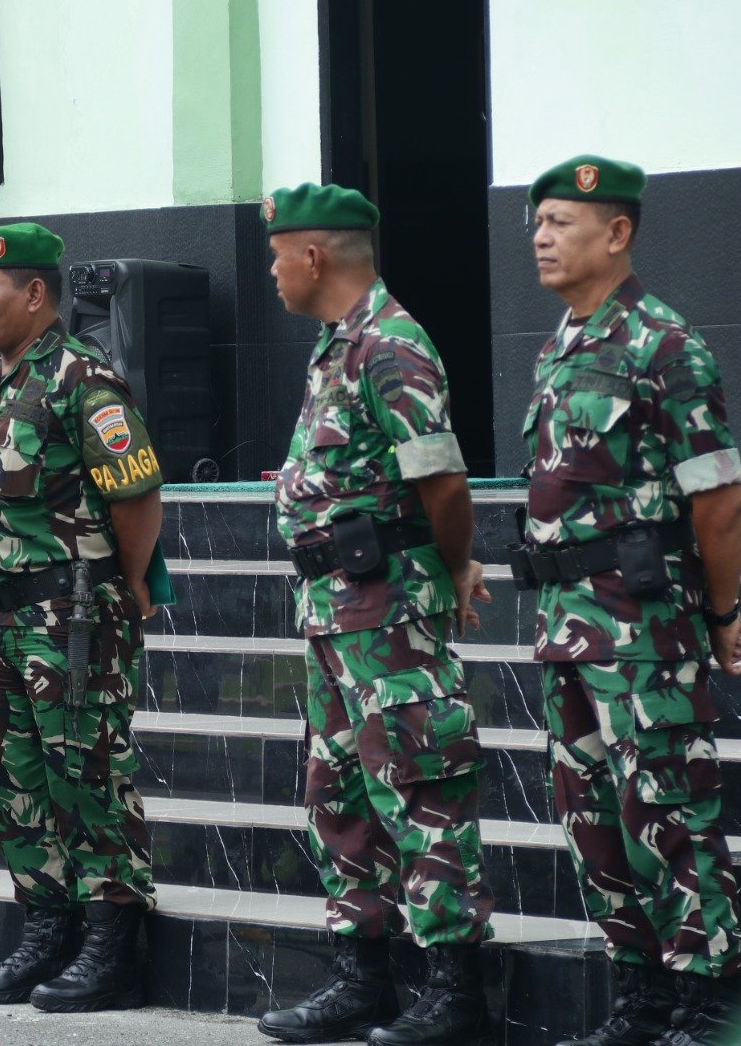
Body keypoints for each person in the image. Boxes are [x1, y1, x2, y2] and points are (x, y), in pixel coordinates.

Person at [515, 155, 741, 1046]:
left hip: (642, 626)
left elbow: (720, 499)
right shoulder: (558, 346)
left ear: (616, 233)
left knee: (669, 809)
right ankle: (642, 992)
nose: (540, 236)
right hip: (565, 624)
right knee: (594, 818)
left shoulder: (666, 344)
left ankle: (709, 996)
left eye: (560, 223)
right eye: (535, 222)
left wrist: (721, 616)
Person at [255, 184, 495, 1045]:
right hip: (334, 611)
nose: (273, 271)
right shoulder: (335, 348)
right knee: (338, 792)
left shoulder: (391, 346)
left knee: (420, 783)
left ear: (313, 255)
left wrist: (456, 563)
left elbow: (443, 480)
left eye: (279, 254)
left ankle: (455, 988)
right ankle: (363, 977)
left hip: (389, 611)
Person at [0, 222, 163, 1013]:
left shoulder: (83, 379)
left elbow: (137, 494)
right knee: (18, 777)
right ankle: (47, 926)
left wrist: (130, 585)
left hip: (71, 614)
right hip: (4, 618)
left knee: (89, 772)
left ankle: (113, 941)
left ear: (34, 293)